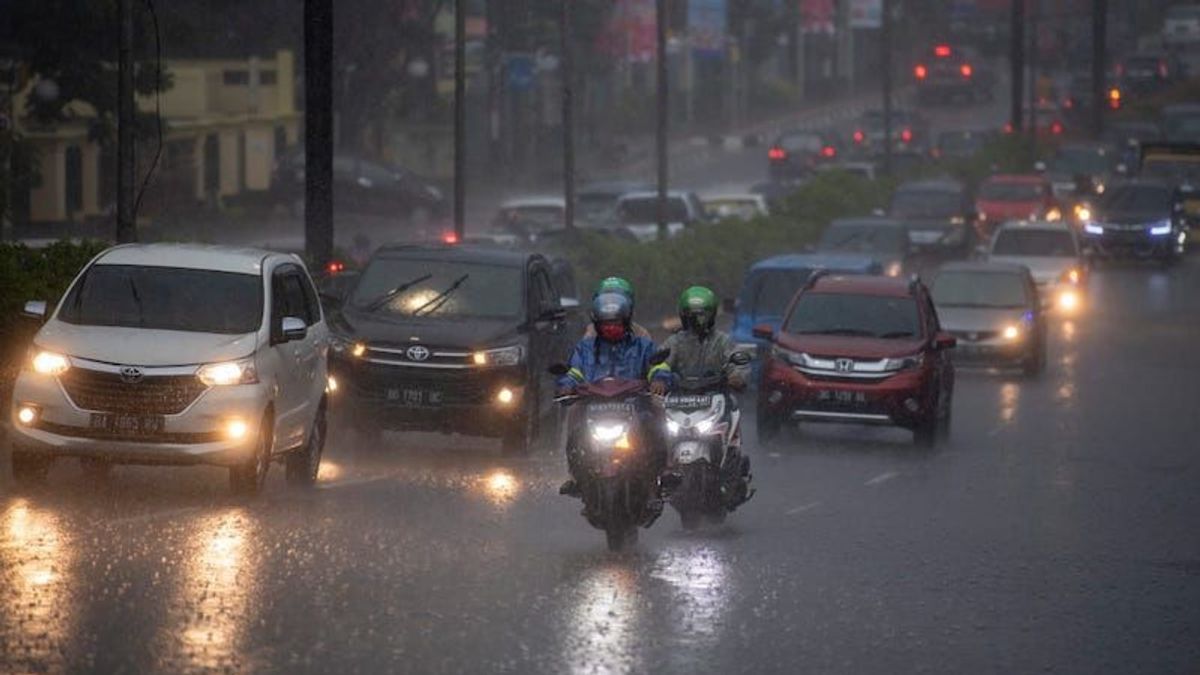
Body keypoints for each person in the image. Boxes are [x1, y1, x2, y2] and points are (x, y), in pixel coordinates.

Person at [557, 290, 672, 496]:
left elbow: (657, 366)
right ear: (597, 324)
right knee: (575, 422)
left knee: (657, 418)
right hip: (593, 407)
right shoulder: (585, 348)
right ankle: (575, 475)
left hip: (635, 405)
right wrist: (567, 385)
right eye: (606, 324)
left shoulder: (642, 345)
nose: (611, 328)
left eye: (616, 323)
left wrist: (658, 380)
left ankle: (665, 469)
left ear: (627, 322)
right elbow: (574, 371)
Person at [662, 286, 749, 393]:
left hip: (718, 398)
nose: (696, 322)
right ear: (683, 316)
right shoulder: (674, 342)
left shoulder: (723, 341)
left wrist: (736, 376)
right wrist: (659, 379)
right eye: (691, 316)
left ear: (712, 315)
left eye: (701, 316)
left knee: (734, 409)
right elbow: (660, 364)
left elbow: (737, 363)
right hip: (678, 399)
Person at [582, 276, 651, 339]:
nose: (611, 304)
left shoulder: (639, 333)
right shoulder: (592, 333)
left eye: (616, 299)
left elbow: (649, 350)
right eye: (607, 300)